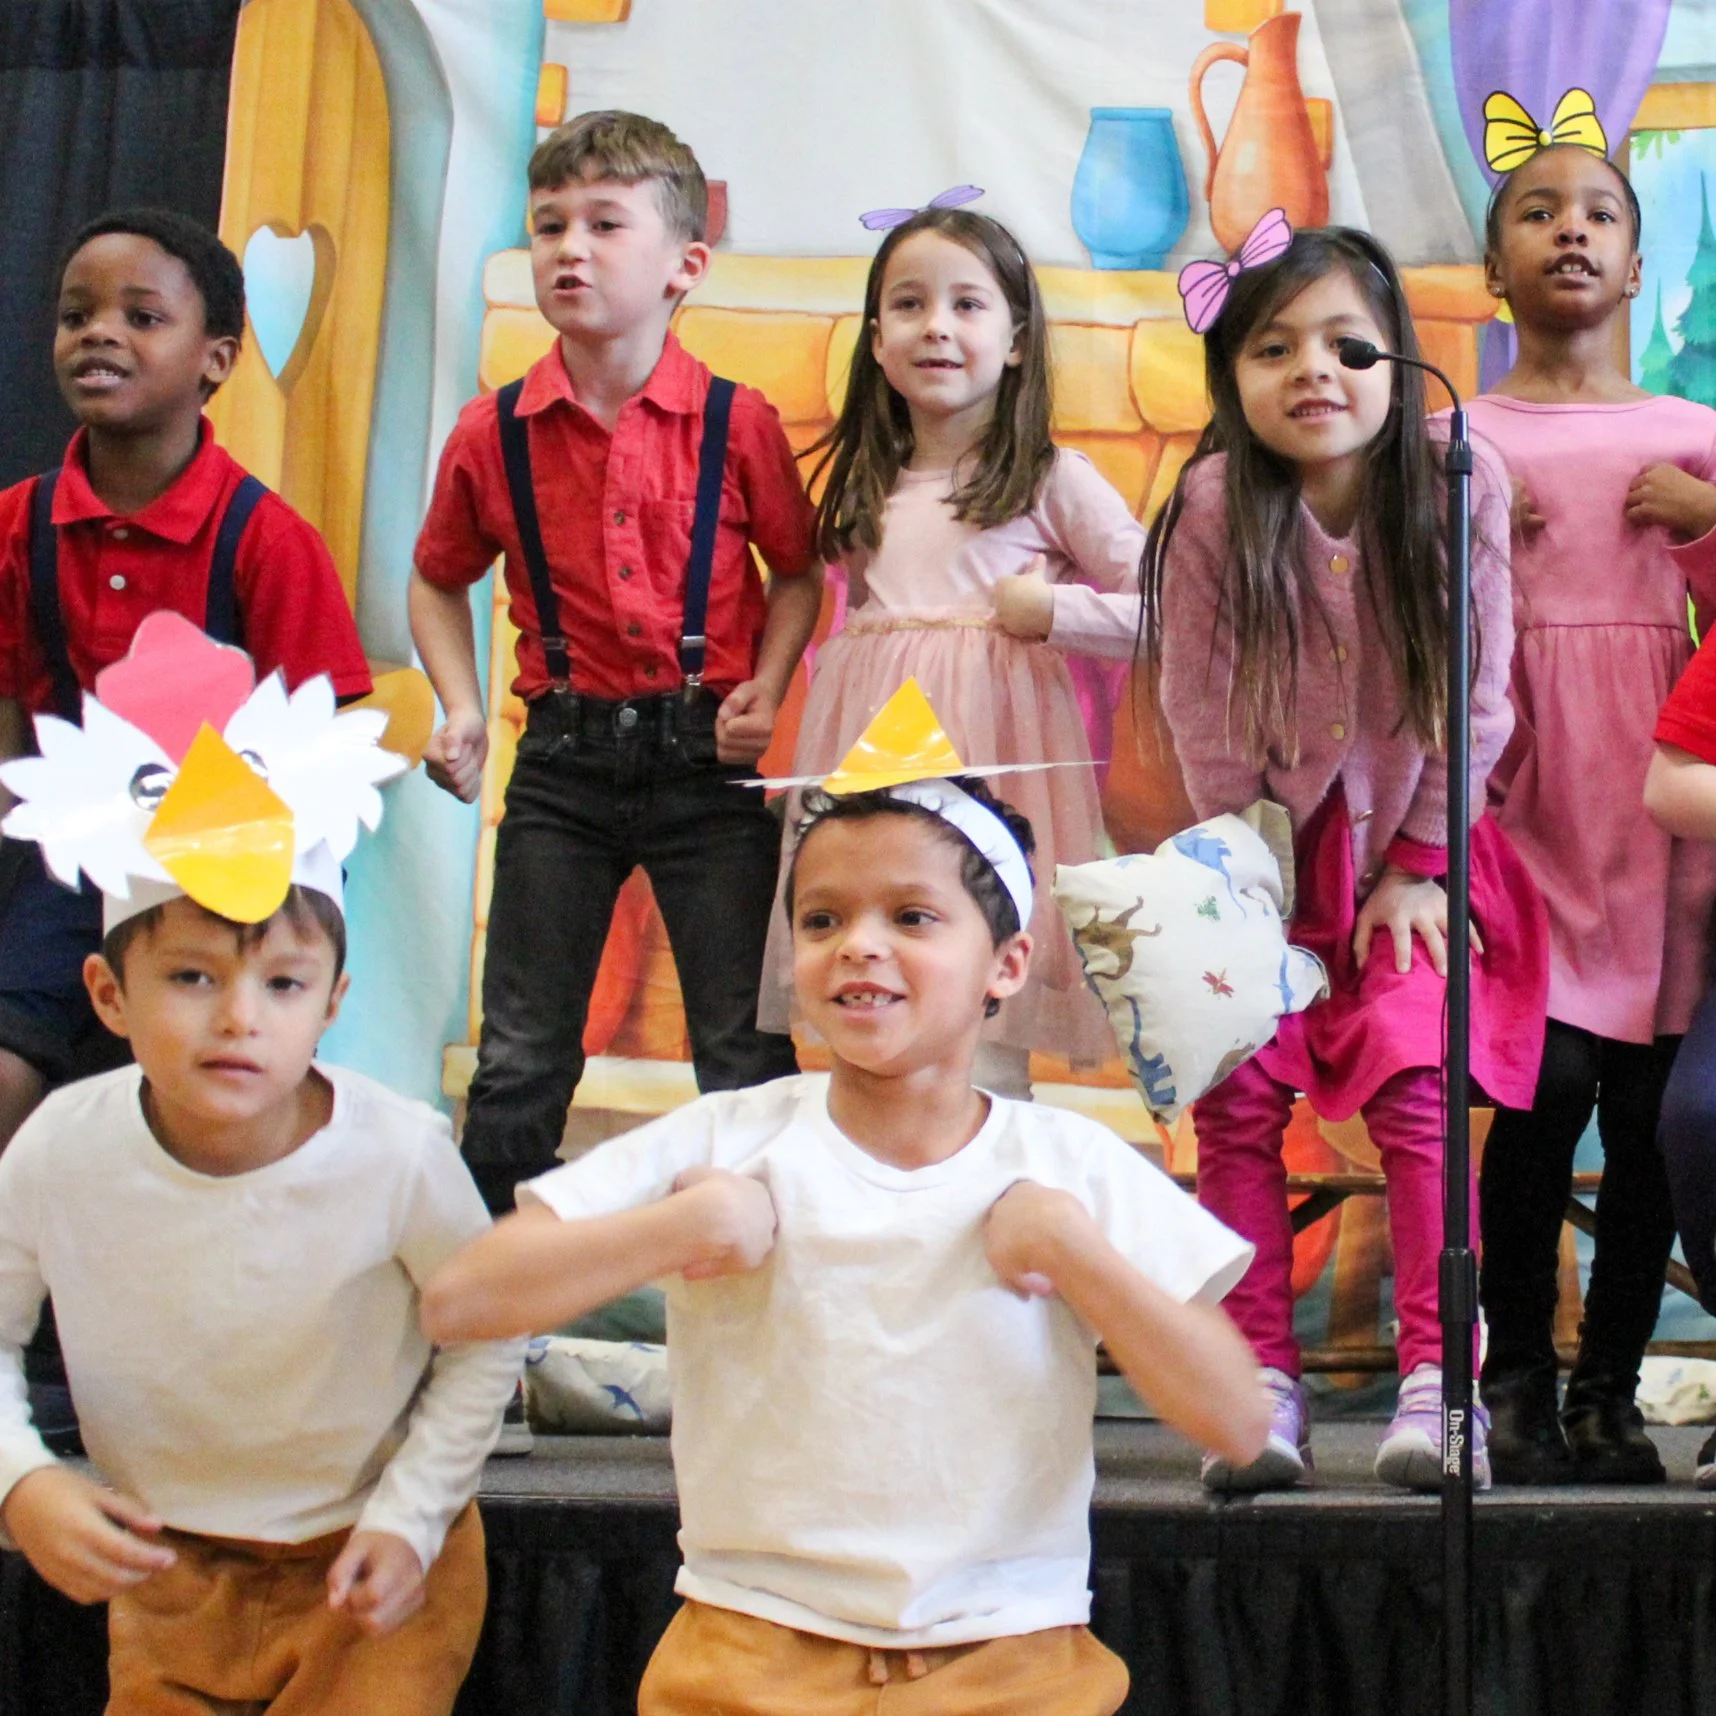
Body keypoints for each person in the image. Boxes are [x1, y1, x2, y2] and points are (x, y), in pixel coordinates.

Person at [422, 756, 1266, 1716]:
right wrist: (679, 1228)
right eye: (823, 920)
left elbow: (1239, 1423)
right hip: (747, 1652)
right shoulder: (728, 1143)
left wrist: (1077, 1252)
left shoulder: (1066, 1165)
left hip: (1013, 1661)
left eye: (912, 916)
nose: (859, 945)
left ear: (1007, 963)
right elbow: (460, 1300)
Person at [0, 628, 521, 1714]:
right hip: (166, 1573)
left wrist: (413, 1516)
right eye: (192, 977)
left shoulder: (398, 1154)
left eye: (283, 984)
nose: (240, 1018)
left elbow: (489, 1332)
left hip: (369, 1574)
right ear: (107, 995)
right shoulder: (57, 1149)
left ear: (332, 1002)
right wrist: (22, 1480)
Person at [1144, 222, 1547, 1492]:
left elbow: (1478, 701)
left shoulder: (1456, 483)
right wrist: (1249, 881)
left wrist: (1420, 864)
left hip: (1419, 852)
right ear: (1234, 378)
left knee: (1421, 1082)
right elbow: (1199, 710)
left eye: (1343, 344)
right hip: (1262, 857)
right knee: (1236, 1092)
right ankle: (1256, 1383)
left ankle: (1439, 1383)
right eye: (1274, 349)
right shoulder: (1215, 505)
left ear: (1396, 360)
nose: (1313, 370)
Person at [411, 110, 819, 1218]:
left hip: (707, 772)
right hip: (563, 767)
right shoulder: (492, 433)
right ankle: (489, 1282)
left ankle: (772, 1271)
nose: (569, 249)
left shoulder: (737, 423)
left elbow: (798, 573)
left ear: (686, 266)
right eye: (548, 226)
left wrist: (766, 685)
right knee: (522, 1052)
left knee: (744, 1046)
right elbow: (437, 579)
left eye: (603, 223)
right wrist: (462, 707)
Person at [758, 201, 1146, 1101]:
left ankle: (990, 1159)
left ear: (1017, 341)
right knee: (878, 973)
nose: (936, 325)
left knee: (977, 992)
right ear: (877, 341)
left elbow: (1170, 609)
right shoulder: (863, 486)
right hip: (876, 768)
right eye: (909, 304)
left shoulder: (1052, 479)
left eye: (967, 304)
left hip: (993, 772)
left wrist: (1053, 612)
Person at [0, 208, 371, 1148]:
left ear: (216, 360)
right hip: (72, 856)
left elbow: (323, 756)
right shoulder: (18, 524)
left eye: (142, 317)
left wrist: (274, 917)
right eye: (77, 315)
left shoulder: (268, 541)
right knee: (11, 1060)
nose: (99, 334)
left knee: (173, 1105)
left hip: (227, 869)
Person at [1469, 139, 1716, 1485]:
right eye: (1538, 211)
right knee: (1543, 1090)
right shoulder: (1454, 441)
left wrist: (1705, 520)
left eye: (1600, 213)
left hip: (1657, 819)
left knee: (1647, 1113)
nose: (1571, 231)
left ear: (1634, 263)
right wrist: (1463, 529)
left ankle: (1609, 1389)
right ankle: (1513, 1377)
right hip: (1525, 812)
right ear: (1493, 262)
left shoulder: (1691, 433)